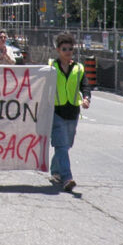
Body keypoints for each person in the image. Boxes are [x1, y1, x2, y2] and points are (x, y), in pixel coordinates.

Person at [48, 33, 90, 192]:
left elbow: (85, 86)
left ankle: (56, 171)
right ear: (58, 50)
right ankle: (67, 178)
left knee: (66, 145)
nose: (68, 52)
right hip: (56, 112)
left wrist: (86, 98)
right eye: (64, 49)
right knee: (61, 145)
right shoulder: (51, 67)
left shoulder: (78, 68)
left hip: (73, 112)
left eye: (70, 49)